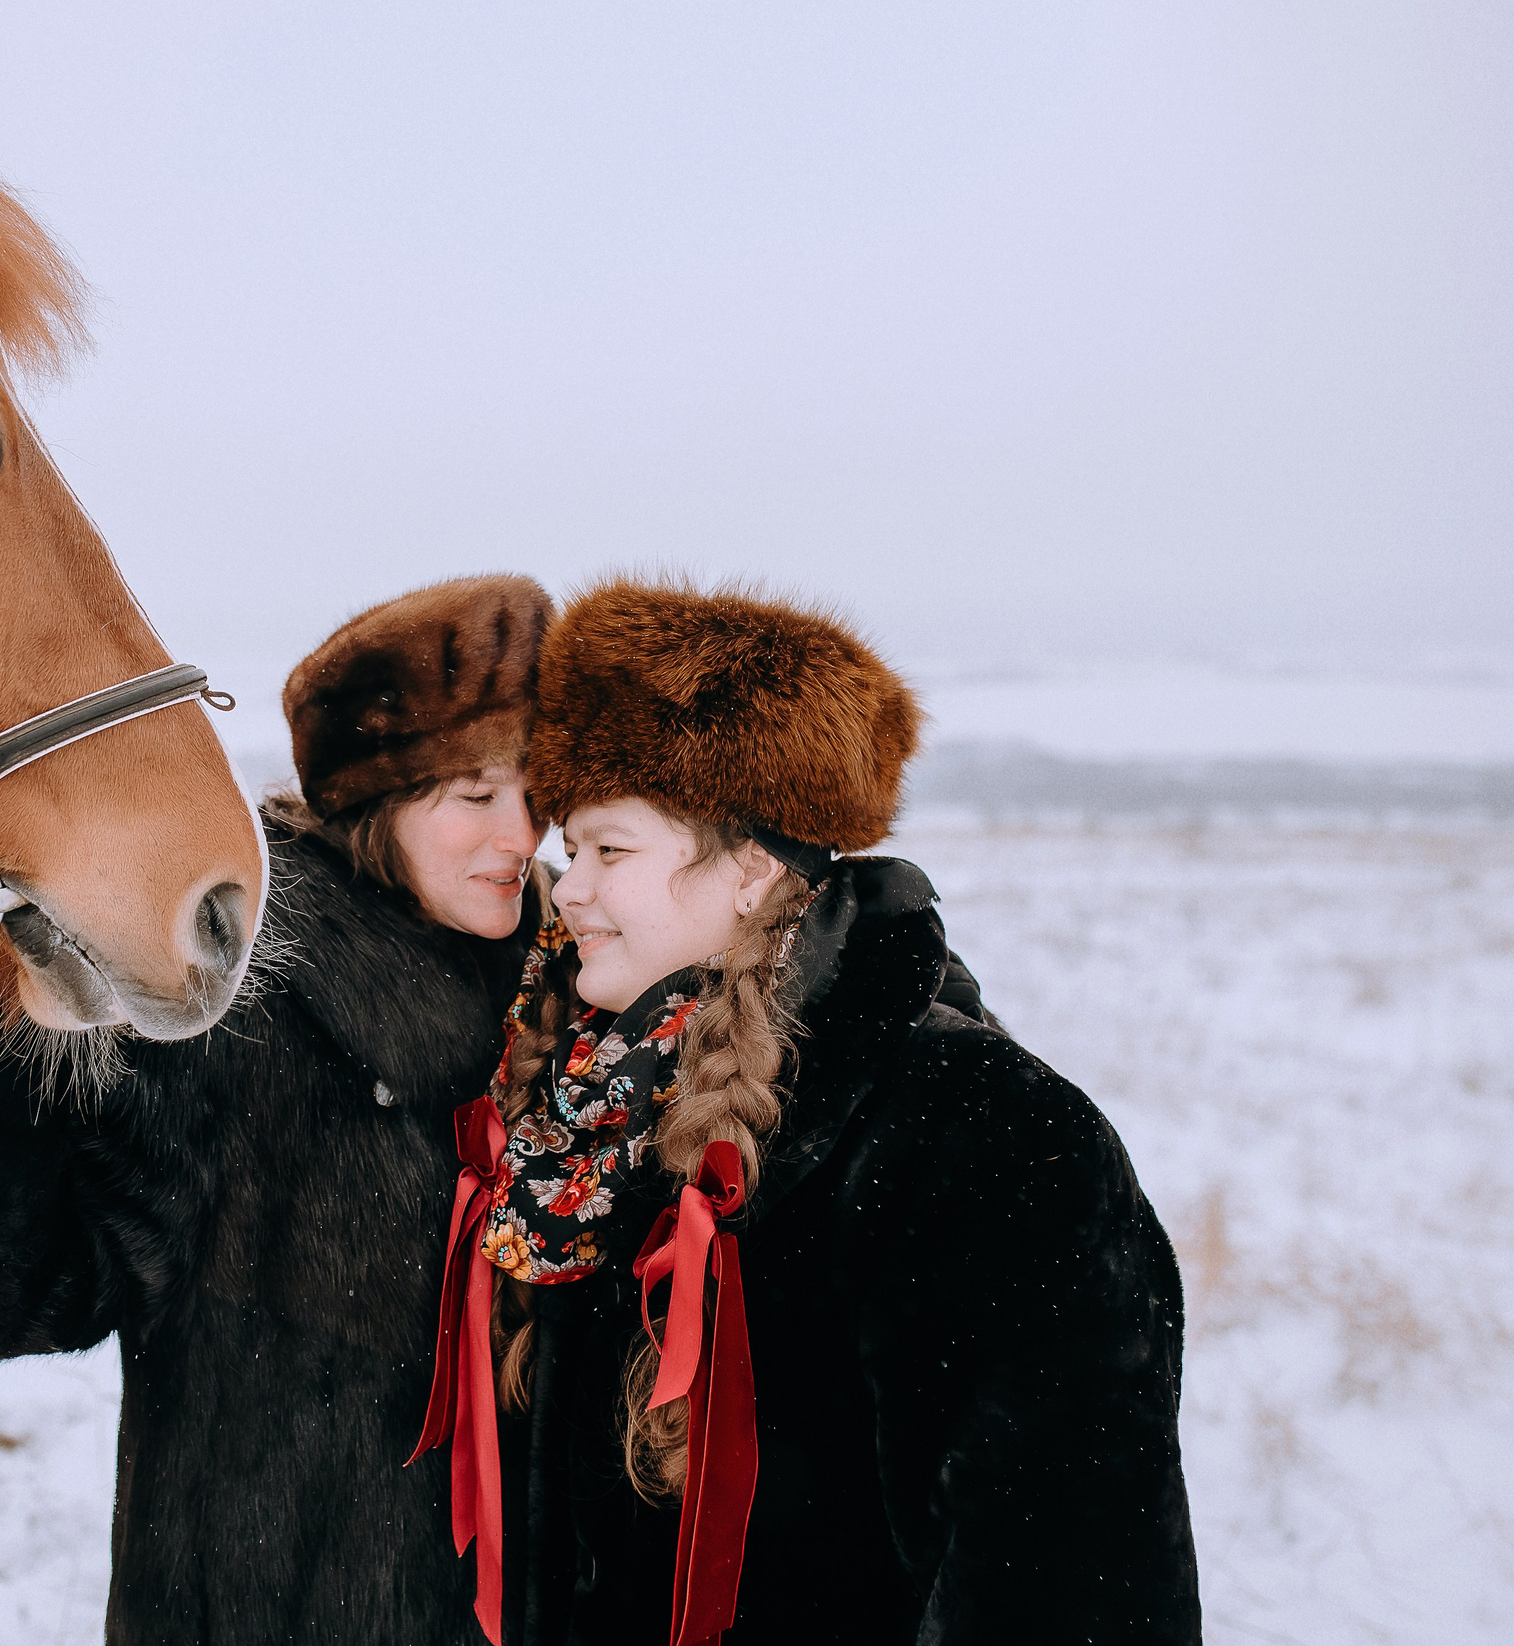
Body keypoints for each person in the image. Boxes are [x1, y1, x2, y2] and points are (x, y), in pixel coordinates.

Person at [416, 580, 1199, 1645]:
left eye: (611, 851)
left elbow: (1070, 1583)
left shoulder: (985, 1134)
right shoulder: (593, 1107)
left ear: (749, 870)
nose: (572, 889)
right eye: (573, 851)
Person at [0, 575, 557, 1645]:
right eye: (474, 795)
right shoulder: (228, 1005)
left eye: (535, 790)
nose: (522, 833)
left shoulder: (576, 989)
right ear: (371, 799)